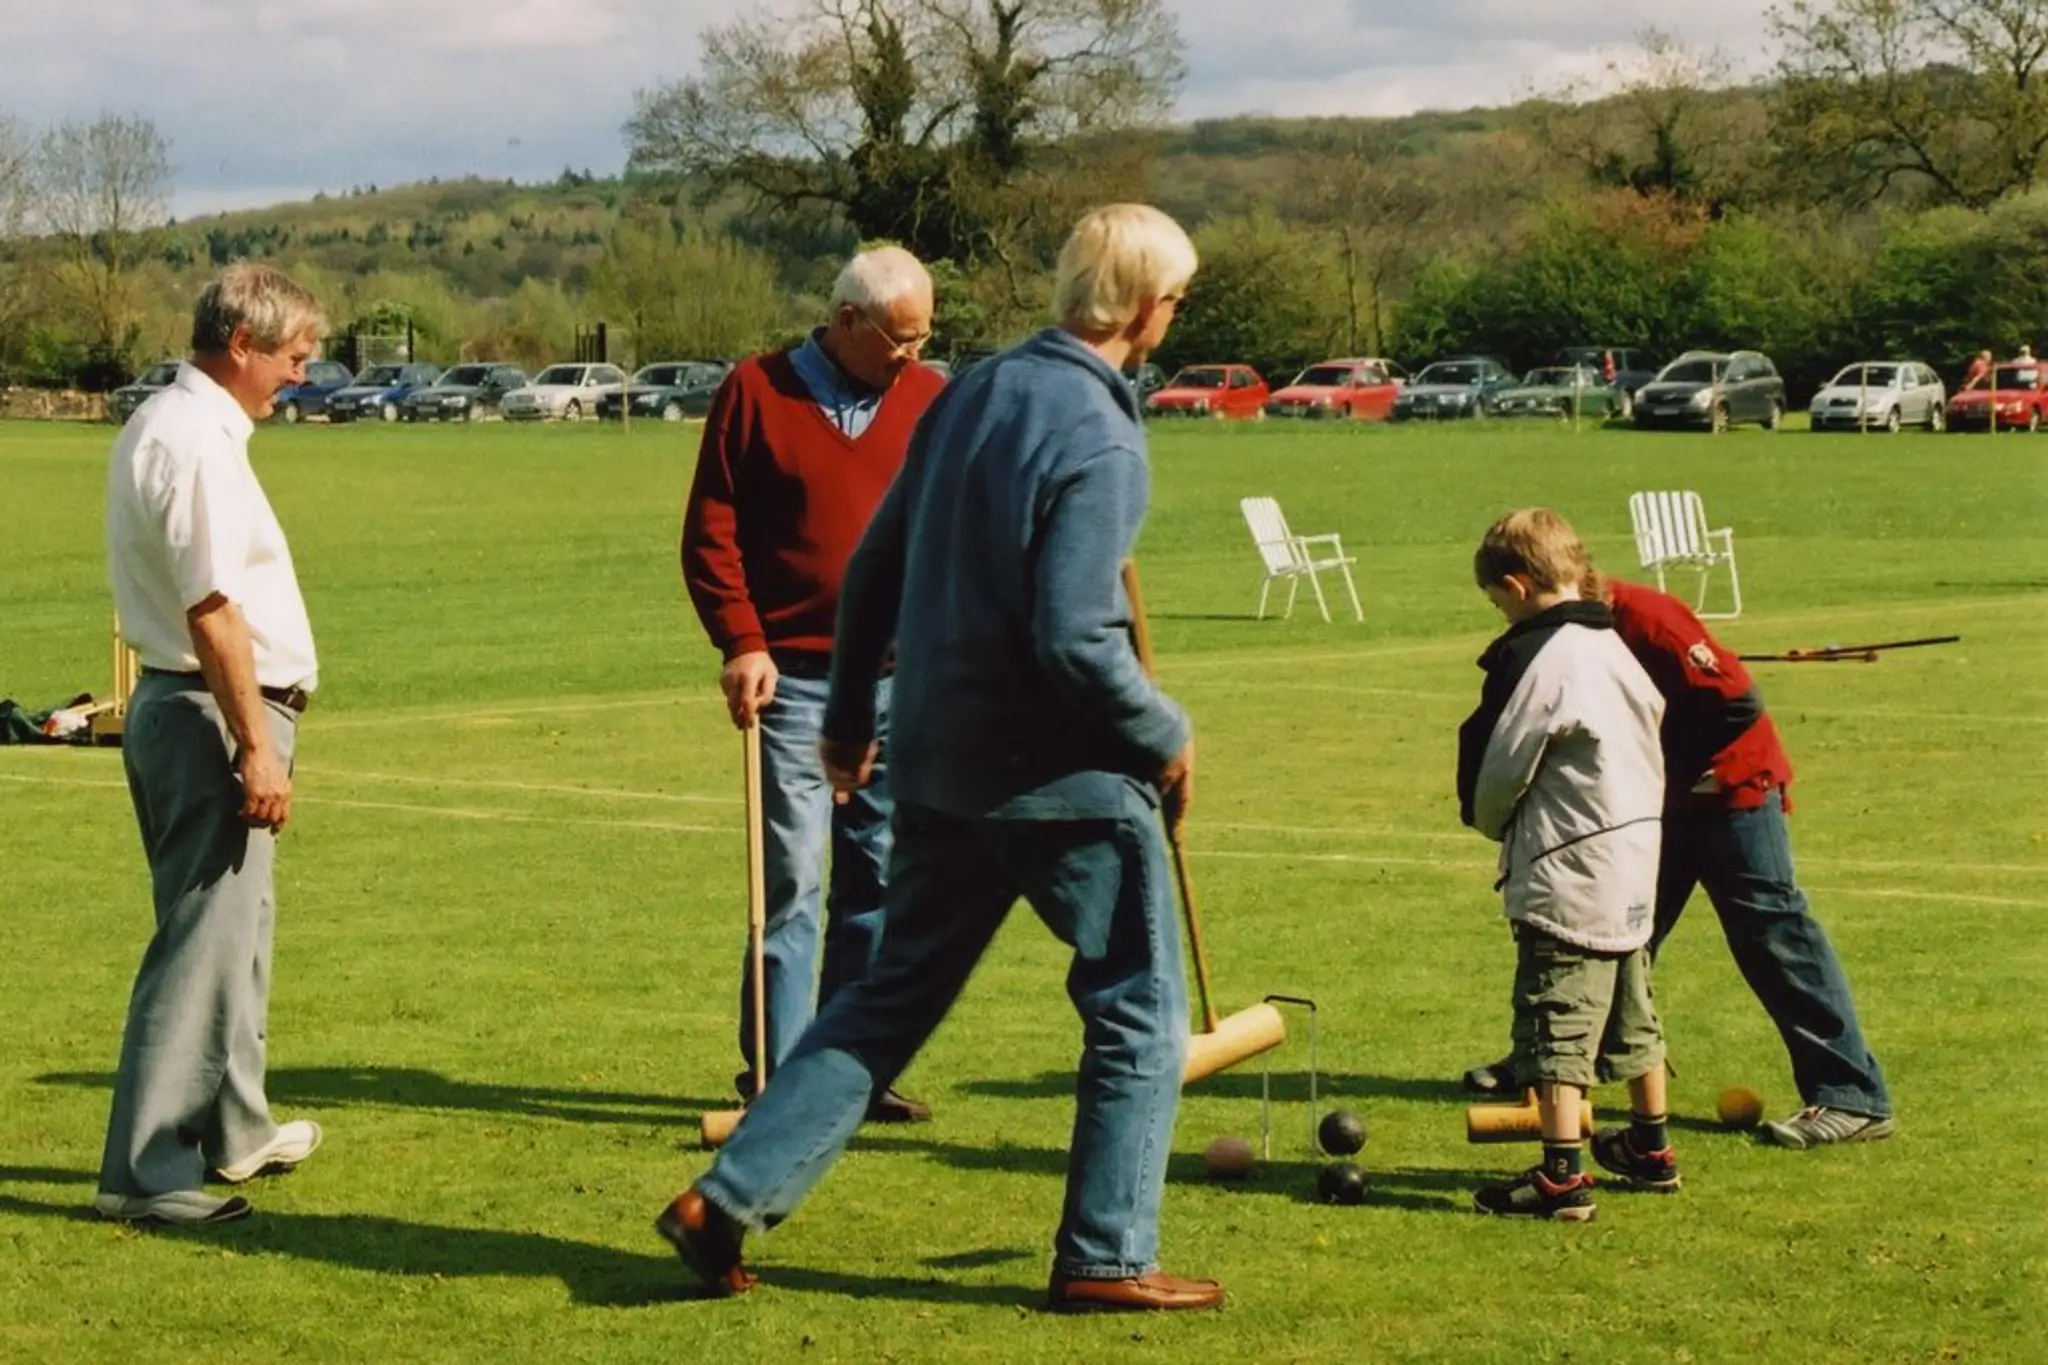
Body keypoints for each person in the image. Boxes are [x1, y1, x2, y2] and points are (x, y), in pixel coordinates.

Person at [655, 203, 1219, 1311]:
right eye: (1178, 302)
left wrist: (848, 722)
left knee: (884, 997)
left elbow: (871, 566)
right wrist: (1162, 732)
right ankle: (1105, 1255)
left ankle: (721, 1201)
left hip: (934, 756)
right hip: (1056, 775)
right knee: (1137, 1008)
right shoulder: (1101, 434)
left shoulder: (971, 394)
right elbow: (1072, 634)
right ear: (1150, 307)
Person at [1466, 578, 1897, 1148]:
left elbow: (1737, 703)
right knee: (1612, 931)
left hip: (1733, 794)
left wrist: (1664, 768)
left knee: (1773, 935)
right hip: (1656, 806)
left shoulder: (1648, 616)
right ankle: (1558, 1064)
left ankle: (1852, 1095)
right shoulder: (1573, 632)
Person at [680, 245, 947, 1125]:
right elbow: (710, 534)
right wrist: (742, 641)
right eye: (900, 337)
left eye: (923, 337)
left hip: (898, 684)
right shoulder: (754, 392)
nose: (912, 353)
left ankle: (852, 1071)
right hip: (791, 682)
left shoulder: (929, 399)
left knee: (880, 880)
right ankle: (779, 1078)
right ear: (846, 322)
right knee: (793, 883)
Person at [96, 264, 328, 1226]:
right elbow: (213, 608)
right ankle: (144, 1173)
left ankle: (233, 1126)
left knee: (239, 933)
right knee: (201, 941)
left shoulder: (181, 426)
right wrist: (255, 744)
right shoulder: (195, 444)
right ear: (241, 345)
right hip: (208, 711)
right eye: (292, 358)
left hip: (196, 705)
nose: (301, 376)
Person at [1457, 509, 1674, 1221]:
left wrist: (1486, 820)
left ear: (1516, 585)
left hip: (1570, 868)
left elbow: (1502, 766)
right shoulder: (1614, 645)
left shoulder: (1545, 660)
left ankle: (1561, 1177)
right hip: (1635, 860)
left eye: (1496, 601)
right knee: (1633, 1012)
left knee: (1555, 1021)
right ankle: (1650, 1147)